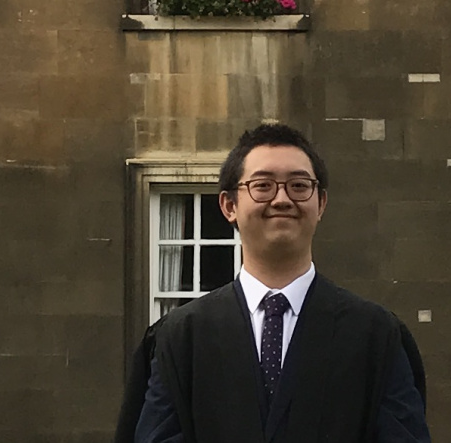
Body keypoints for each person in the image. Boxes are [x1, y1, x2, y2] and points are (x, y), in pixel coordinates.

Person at [120, 124, 431, 443]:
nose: (282, 199)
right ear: (229, 206)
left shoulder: (376, 336)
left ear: (321, 204)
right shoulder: (179, 338)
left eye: (299, 186)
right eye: (263, 186)